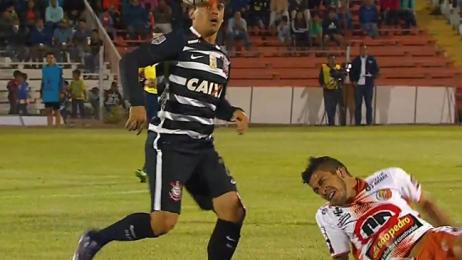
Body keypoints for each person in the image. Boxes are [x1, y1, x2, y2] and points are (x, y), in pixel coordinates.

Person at [72, 1, 249, 259]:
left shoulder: (222, 59)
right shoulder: (180, 41)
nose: (214, 11)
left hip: (203, 148)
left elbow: (215, 101)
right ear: (193, 12)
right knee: (163, 222)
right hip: (170, 145)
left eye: (220, 7)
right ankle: (95, 239)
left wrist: (233, 112)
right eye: (207, 6)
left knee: (233, 210)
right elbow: (131, 61)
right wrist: (137, 104)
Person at [301, 156, 462, 260]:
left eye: (322, 182)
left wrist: (454, 235)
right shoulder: (327, 215)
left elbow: (427, 204)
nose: (322, 191)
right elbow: (340, 257)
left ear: (341, 172)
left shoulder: (390, 177)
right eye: (316, 190)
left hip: (432, 242)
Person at [350, 43, 379, 125]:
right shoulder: (355, 61)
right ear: (359, 51)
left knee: (369, 105)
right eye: (361, 50)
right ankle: (357, 123)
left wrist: (372, 76)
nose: (363, 51)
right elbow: (351, 72)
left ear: (367, 50)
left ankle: (369, 122)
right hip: (359, 85)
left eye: (364, 50)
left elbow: (376, 71)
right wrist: (353, 81)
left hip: (368, 85)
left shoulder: (372, 59)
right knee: (358, 105)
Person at [319, 55, 346, 126]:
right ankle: (331, 123)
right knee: (329, 108)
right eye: (331, 59)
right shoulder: (324, 67)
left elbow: (342, 77)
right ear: (328, 60)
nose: (332, 61)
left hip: (337, 89)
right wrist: (322, 84)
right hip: (328, 90)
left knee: (339, 107)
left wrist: (340, 81)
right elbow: (320, 78)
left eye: (334, 59)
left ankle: (342, 123)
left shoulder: (338, 67)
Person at [41, 52, 63, 126]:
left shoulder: (58, 69)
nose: (50, 59)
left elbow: (61, 81)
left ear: (54, 59)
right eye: (48, 58)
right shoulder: (44, 69)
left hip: (56, 91)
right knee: (48, 110)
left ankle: (58, 125)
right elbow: (43, 81)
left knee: (57, 110)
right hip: (47, 92)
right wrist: (42, 91)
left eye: (51, 58)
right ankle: (49, 125)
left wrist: (61, 91)